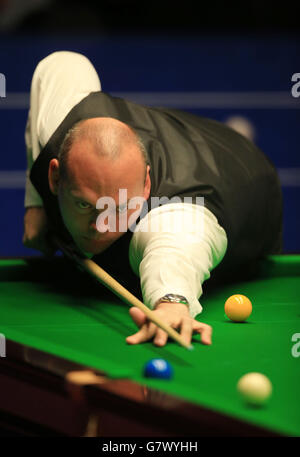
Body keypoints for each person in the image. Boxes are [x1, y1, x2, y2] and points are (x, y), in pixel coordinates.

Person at [23, 51, 282, 348]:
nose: (100, 225)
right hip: (164, 130)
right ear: (55, 176)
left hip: (248, 179)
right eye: (84, 204)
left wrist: (170, 301)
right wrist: (38, 201)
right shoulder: (60, 124)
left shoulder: (177, 214)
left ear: (146, 186)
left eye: (118, 208)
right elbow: (64, 64)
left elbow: (176, 249)